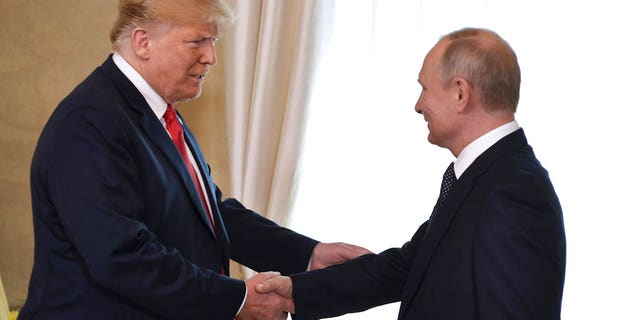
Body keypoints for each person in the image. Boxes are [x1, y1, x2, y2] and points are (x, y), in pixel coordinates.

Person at [19, 1, 370, 319]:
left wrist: (309, 255)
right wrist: (237, 299)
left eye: (213, 42)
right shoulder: (89, 122)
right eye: (197, 41)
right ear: (143, 42)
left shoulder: (156, 112)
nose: (211, 57)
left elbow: (209, 216)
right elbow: (122, 257)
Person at [257, 27, 567, 319]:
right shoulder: (486, 175)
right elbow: (409, 266)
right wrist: (295, 292)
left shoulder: (514, 191)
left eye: (425, 88)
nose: (419, 106)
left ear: (460, 93)